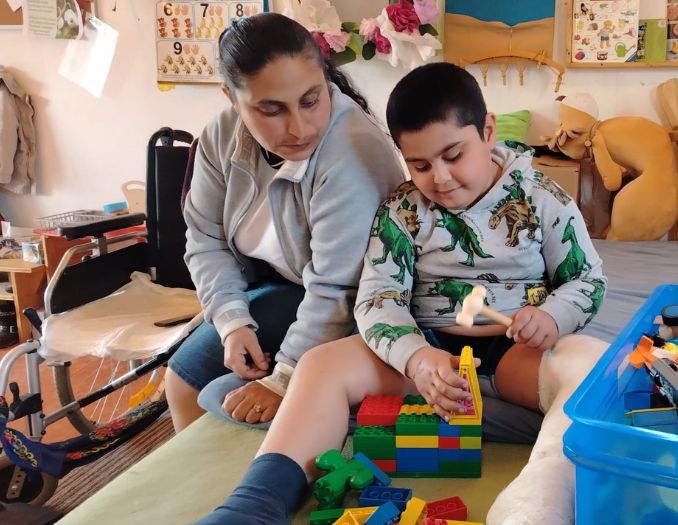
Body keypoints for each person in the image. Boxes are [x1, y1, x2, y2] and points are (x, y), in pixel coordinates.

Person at [194, 62, 608, 525]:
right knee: (319, 364)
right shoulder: (401, 210)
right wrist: (416, 358)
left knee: (595, 367)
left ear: (487, 131)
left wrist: (553, 315)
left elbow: (587, 279)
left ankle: (538, 502)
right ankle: (255, 504)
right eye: (420, 165)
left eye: (454, 155)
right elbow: (378, 300)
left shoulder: (543, 197)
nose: (441, 178)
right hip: (428, 347)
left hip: (515, 353)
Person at [165, 12, 406, 432]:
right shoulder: (221, 135)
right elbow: (206, 239)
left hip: (354, 305)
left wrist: (285, 375)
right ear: (231, 97)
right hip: (278, 288)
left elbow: (339, 287)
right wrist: (231, 321)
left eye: (311, 100)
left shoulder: (353, 149)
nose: (299, 127)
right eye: (272, 109)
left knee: (251, 407)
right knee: (183, 381)